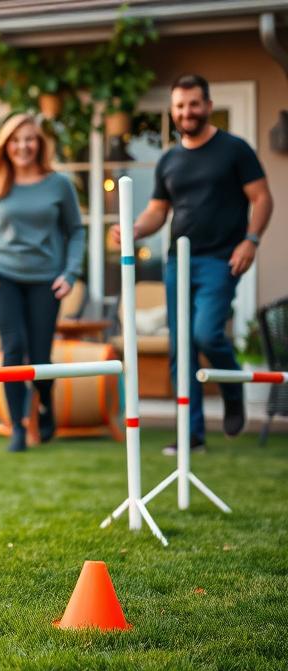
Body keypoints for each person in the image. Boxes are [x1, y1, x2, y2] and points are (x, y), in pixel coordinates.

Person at [112, 74, 273, 453]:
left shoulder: (234, 150)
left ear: (208, 105)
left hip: (221, 259)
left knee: (206, 335)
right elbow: (158, 211)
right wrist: (135, 228)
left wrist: (251, 241)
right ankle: (192, 436)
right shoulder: (169, 159)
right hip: (176, 262)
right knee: (179, 349)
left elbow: (262, 198)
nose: (187, 112)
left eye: (194, 104)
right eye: (180, 106)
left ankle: (231, 388)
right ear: (173, 110)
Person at [0, 113, 85, 452]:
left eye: (30, 139)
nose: (23, 146)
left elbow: (76, 231)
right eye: (16, 140)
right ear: (6, 145)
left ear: (40, 143)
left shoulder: (58, 184)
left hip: (46, 280)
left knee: (40, 354)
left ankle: (45, 403)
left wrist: (70, 273)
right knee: (14, 347)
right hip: (2, 277)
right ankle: (18, 425)